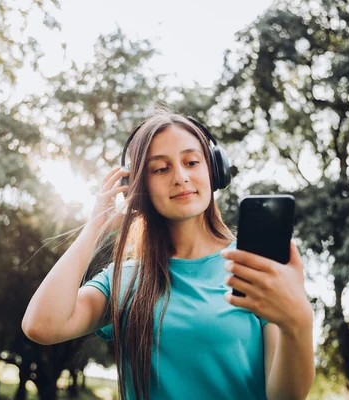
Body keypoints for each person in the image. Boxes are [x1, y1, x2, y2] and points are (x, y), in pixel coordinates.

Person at [21, 108, 315, 400]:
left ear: (214, 170)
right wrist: (95, 227)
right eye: (161, 168)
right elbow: (42, 326)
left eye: (191, 162)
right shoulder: (123, 279)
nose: (181, 177)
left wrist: (298, 324)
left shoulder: (253, 266)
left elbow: (285, 396)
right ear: (138, 188)